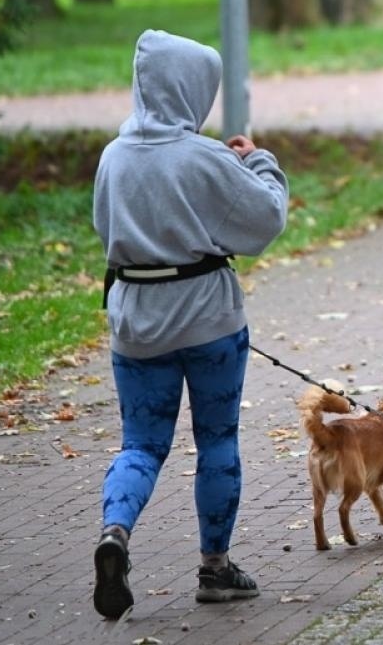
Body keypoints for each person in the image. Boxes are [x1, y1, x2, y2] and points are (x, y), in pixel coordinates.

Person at [91, 30, 290, 620]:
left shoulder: (113, 157)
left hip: (136, 322)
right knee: (217, 442)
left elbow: (107, 232)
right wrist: (258, 161)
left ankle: (116, 532)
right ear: (190, 89)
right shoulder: (202, 156)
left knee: (142, 445)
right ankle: (215, 568)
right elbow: (264, 221)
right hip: (208, 321)